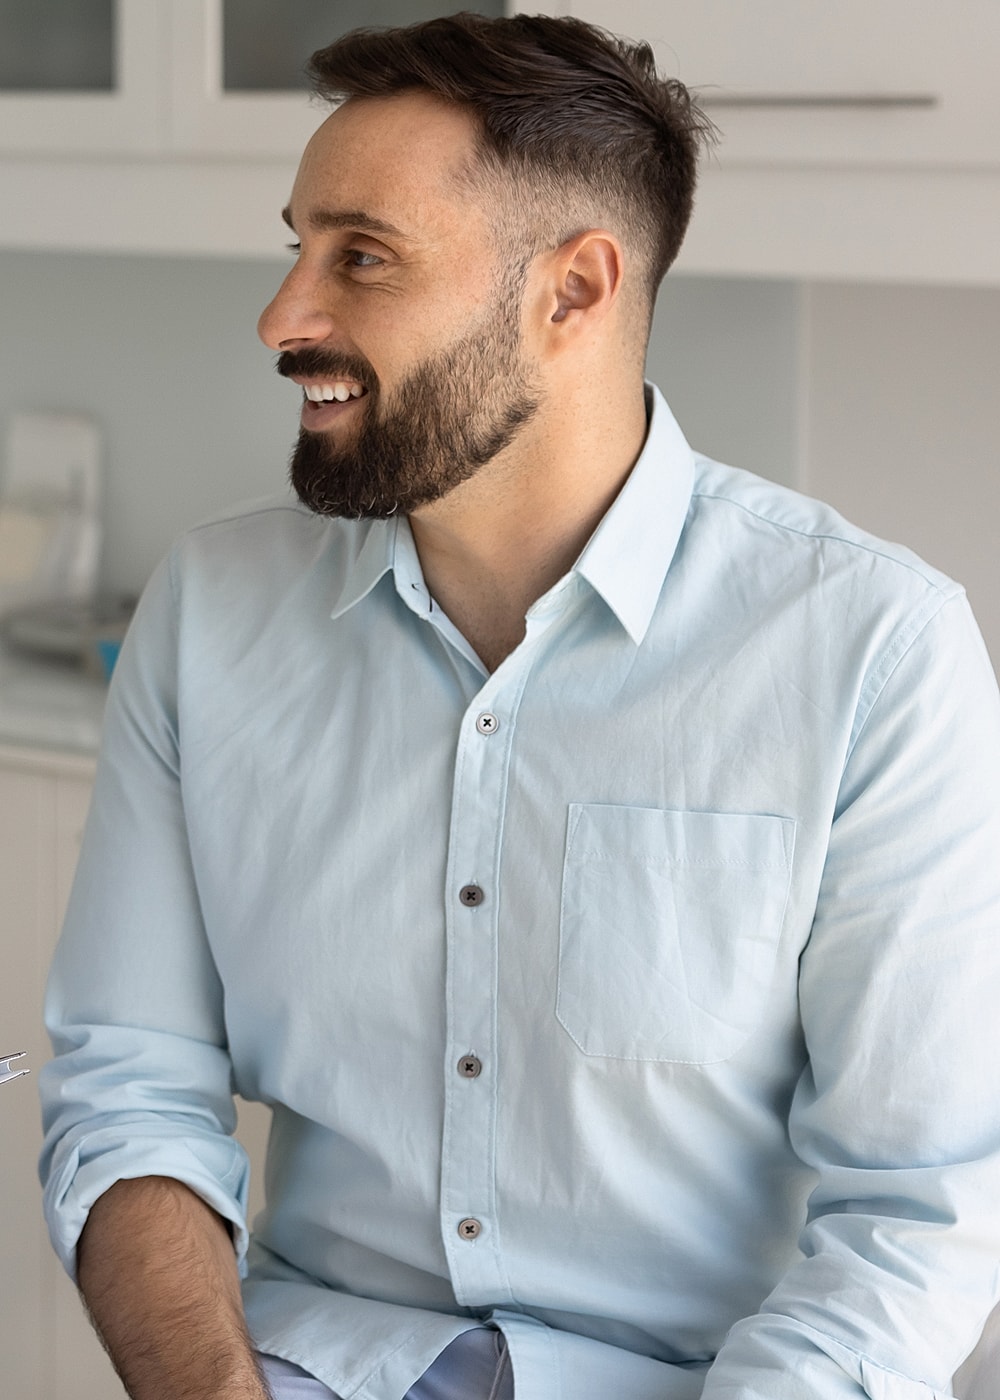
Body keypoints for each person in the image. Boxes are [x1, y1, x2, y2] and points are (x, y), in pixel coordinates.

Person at [38, 13, 1000, 1400]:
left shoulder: (873, 654)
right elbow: (128, 1092)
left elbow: (916, 1222)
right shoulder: (208, 612)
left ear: (574, 291)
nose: (284, 315)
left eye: (360, 256)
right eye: (297, 243)